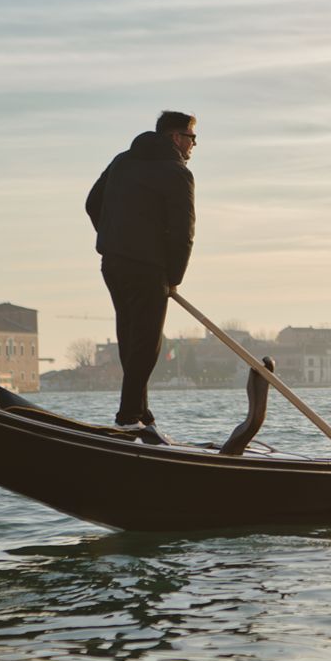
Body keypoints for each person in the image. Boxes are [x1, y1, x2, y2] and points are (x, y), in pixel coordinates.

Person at [86, 110, 197, 434]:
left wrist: (113, 237)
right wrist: (173, 277)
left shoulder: (123, 161)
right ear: (176, 138)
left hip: (114, 263)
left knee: (131, 338)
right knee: (147, 343)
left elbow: (93, 203)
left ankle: (141, 412)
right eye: (192, 139)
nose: (193, 147)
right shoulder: (177, 173)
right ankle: (128, 416)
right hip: (149, 269)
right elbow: (182, 233)